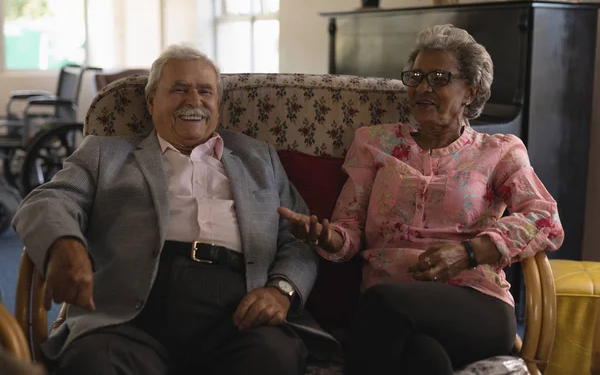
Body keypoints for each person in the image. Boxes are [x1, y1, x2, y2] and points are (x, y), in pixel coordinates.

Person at [13, 44, 336, 375]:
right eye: (179, 89)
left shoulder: (259, 158)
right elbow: (48, 200)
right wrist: (63, 243)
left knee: (272, 359)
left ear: (218, 106)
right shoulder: (105, 153)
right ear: (151, 103)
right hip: (131, 314)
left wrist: (281, 290)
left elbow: (298, 239)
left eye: (205, 91)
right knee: (93, 364)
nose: (193, 101)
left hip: (240, 312)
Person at [278, 24, 564, 375]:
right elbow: (349, 231)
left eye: (439, 77)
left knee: (382, 306)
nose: (422, 87)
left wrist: (468, 253)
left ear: (470, 92)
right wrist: (326, 237)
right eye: (415, 76)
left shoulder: (499, 152)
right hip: (393, 309)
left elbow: (545, 219)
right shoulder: (374, 142)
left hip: (474, 302)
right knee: (424, 359)